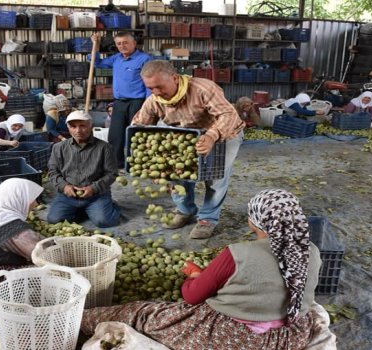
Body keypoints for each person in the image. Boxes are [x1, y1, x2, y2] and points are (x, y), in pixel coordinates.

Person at [80, 189, 322, 350]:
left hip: (235, 338)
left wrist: (196, 275)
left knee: (142, 313)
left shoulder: (239, 253)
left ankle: (81, 319)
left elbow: (192, 297)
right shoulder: (311, 251)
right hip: (288, 337)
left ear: (254, 221)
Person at [131, 60, 245, 239]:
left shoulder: (203, 89)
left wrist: (211, 136)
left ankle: (207, 218)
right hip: (187, 137)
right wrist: (149, 163)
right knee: (177, 173)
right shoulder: (154, 101)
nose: (156, 92)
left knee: (215, 176)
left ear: (175, 78)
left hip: (223, 133)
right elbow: (138, 129)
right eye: (151, 88)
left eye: (159, 87)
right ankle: (185, 210)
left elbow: (228, 115)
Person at [46, 110, 120, 228]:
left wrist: (93, 188)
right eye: (73, 126)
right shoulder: (58, 148)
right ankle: (85, 210)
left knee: (105, 221)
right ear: (68, 128)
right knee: (54, 220)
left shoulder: (105, 148)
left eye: (82, 126)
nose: (78, 130)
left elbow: (112, 174)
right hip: (68, 195)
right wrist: (64, 186)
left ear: (91, 126)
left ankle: (108, 205)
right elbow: (52, 171)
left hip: (96, 196)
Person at [90, 32, 152, 168]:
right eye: (119, 43)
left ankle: (138, 163)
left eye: (125, 42)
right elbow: (97, 62)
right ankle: (117, 164)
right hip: (119, 102)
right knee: (115, 135)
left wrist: (148, 103)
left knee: (136, 134)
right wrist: (96, 45)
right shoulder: (116, 59)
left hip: (137, 102)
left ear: (134, 43)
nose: (122, 46)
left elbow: (150, 82)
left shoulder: (144, 59)